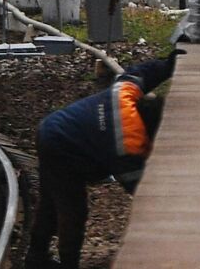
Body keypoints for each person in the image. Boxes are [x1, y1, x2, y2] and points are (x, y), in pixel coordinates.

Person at [27, 51, 181, 269]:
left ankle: (36, 256)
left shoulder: (125, 94)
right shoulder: (127, 146)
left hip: (54, 126)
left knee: (50, 201)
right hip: (61, 146)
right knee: (72, 209)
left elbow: (140, 73)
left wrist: (168, 64)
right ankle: (68, 263)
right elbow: (141, 190)